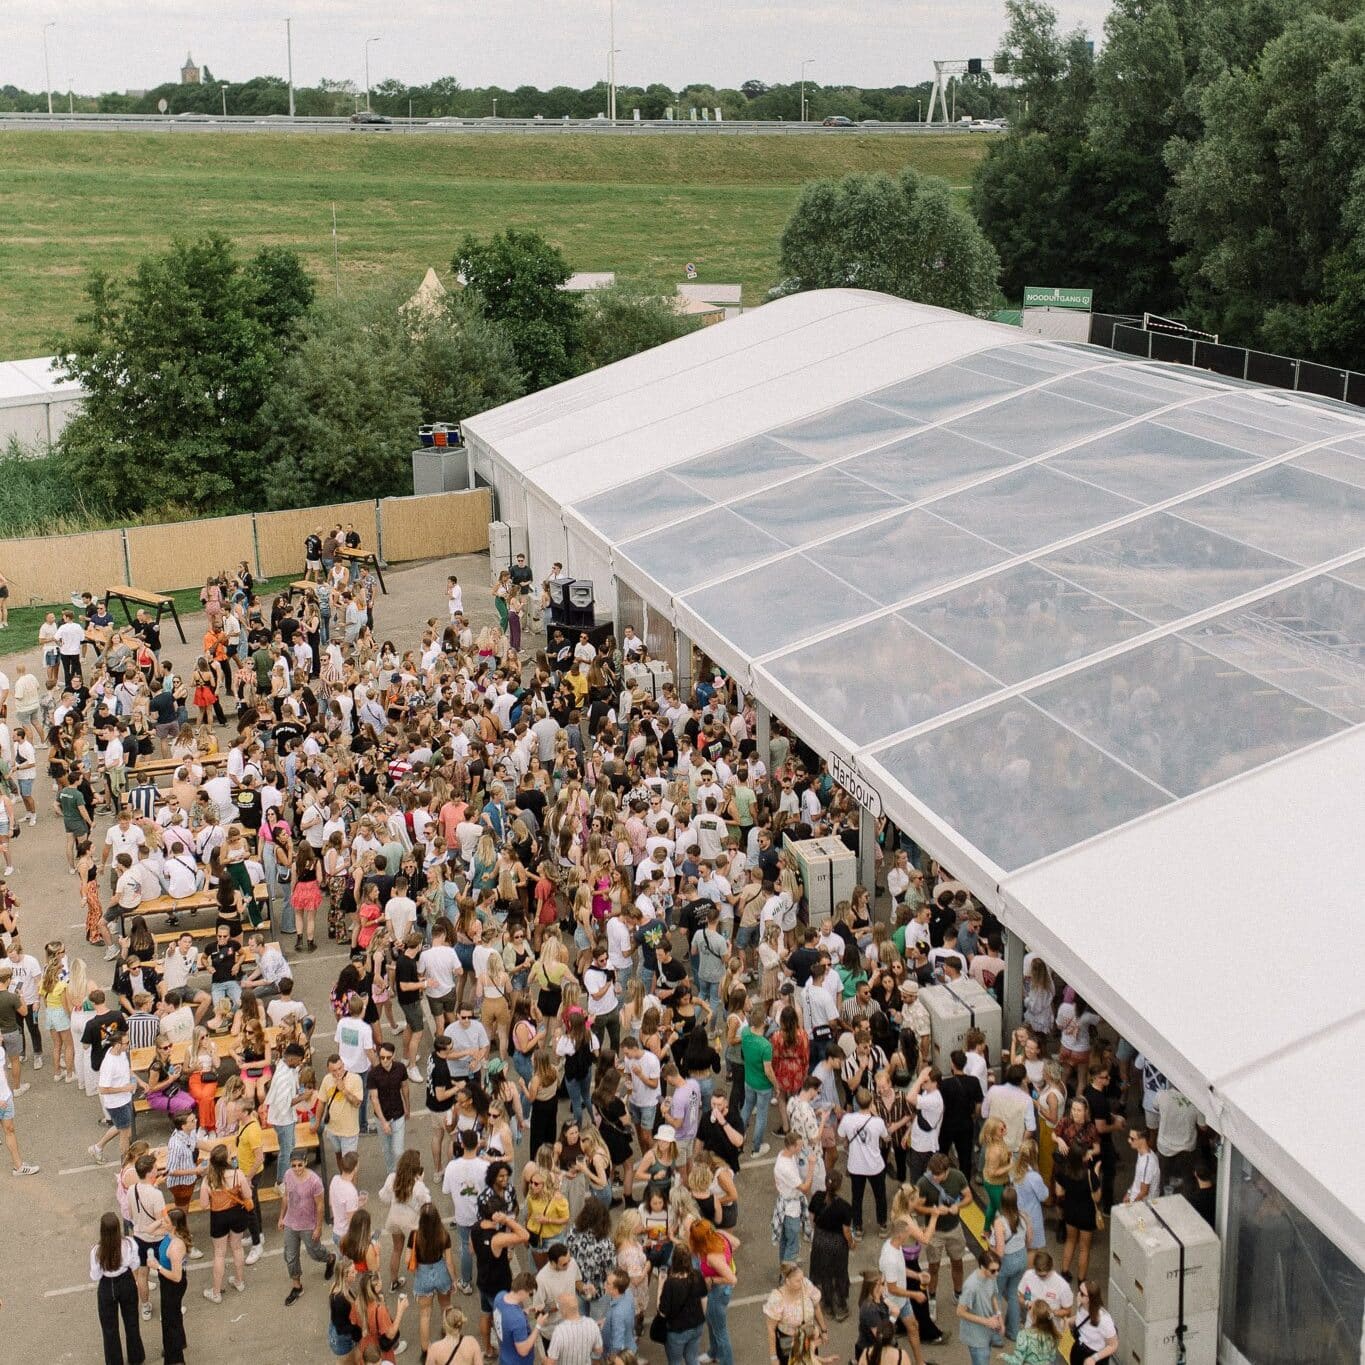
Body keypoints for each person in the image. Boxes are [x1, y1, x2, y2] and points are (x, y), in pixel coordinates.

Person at [279, 1150, 337, 1305]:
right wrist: (281, 1217)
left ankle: (330, 1258)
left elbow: (319, 1206)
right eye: (294, 1165)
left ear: (305, 1162)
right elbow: (286, 1197)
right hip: (291, 1223)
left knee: (315, 1252)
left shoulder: (315, 1182)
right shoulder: (288, 1175)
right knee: (290, 1257)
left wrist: (318, 1227)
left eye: (300, 1165)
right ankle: (297, 1286)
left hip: (307, 1225)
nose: (297, 1168)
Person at [91, 1211, 145, 1365]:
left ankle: (115, 1361)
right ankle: (136, 1357)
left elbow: (95, 1275)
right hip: (126, 1282)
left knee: (109, 1329)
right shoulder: (128, 1243)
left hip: (107, 1286)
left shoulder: (97, 1251)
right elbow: (135, 1264)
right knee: (131, 1322)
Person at [200, 1142, 252, 1302]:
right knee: (237, 1247)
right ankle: (239, 1281)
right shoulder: (238, 1174)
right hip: (237, 1213)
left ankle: (215, 1292)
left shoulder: (208, 1180)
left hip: (218, 1217)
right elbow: (248, 1194)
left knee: (219, 1253)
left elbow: (203, 1205)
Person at [409, 1201, 458, 1354]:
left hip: (423, 1275)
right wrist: (454, 1280)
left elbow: (406, 1259)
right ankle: (449, 1336)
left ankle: (426, 1349)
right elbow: (449, 1262)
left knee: (425, 1314)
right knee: (446, 1306)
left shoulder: (414, 1235)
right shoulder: (444, 1234)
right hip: (441, 1272)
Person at [688, 1218, 738, 1365]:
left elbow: (732, 1279)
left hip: (718, 1292)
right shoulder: (720, 1236)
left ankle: (727, 1362)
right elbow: (736, 1243)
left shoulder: (712, 1257)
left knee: (720, 1331)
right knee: (711, 1321)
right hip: (719, 1291)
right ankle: (713, 1352)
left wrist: (712, 1279)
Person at [807, 1169, 854, 1322]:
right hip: (837, 1243)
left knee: (824, 1273)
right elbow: (846, 1231)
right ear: (839, 1187)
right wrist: (852, 1243)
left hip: (820, 1240)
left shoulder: (817, 1197)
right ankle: (840, 1306)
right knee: (839, 1273)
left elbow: (811, 1219)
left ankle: (827, 1304)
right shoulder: (844, 1207)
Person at [762, 1261, 827, 1365]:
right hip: (789, 1344)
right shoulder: (777, 1299)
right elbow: (771, 1329)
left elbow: (817, 1308)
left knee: (812, 1361)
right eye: (798, 1281)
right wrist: (773, 1357)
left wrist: (824, 1331)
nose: (802, 1282)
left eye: (802, 1278)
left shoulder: (806, 1285)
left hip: (808, 1339)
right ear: (787, 1281)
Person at [658, 1241, 709, 1365]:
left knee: (675, 1361)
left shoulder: (670, 1283)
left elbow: (662, 1311)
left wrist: (660, 1285)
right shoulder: (697, 1275)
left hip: (677, 1331)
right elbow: (704, 1299)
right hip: (697, 1326)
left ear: (673, 1260)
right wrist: (700, 1318)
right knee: (692, 1359)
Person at [155, 1207, 193, 1365]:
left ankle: (175, 1358)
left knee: (170, 1321)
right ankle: (177, 1344)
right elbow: (148, 1231)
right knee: (173, 1315)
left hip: (172, 1284)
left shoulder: (176, 1245)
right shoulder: (170, 1234)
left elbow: (177, 1277)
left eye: (167, 1221)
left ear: (174, 1226)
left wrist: (157, 1267)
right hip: (167, 1282)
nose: (163, 1222)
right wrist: (161, 1221)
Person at [955, 1248, 1004, 1365]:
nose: (997, 1273)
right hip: (976, 1336)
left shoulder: (991, 1276)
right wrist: (986, 1321)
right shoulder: (971, 1286)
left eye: (998, 1270)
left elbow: (992, 1296)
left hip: (987, 1329)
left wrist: (999, 1317)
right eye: (993, 1271)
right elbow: (960, 1312)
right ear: (982, 1267)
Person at [0, 1039, 38, 1175]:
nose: (2, 1038)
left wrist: (6, 1092)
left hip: (6, 1098)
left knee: (10, 1129)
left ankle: (19, 1167)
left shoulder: (1, 1050)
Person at [547, 1289, 603, 1365]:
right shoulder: (591, 1323)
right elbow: (599, 1350)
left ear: (562, 1310)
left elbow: (550, 1362)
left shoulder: (559, 1331)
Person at [1070, 1280, 1119, 1365]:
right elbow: (1080, 1318)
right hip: (1079, 1348)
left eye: (1082, 1293)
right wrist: (1068, 1321)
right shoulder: (1081, 1305)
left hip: (1094, 1355)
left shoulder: (1104, 1320)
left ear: (1089, 1299)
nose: (1078, 1294)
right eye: (1079, 1290)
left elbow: (1113, 1345)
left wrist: (1093, 1358)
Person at [1003, 1300, 1063, 1365]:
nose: (1029, 1307)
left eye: (1031, 1308)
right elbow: (1052, 1358)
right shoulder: (1053, 1335)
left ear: (1034, 1317)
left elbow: (1017, 1361)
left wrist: (1004, 1356)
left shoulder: (1024, 1335)